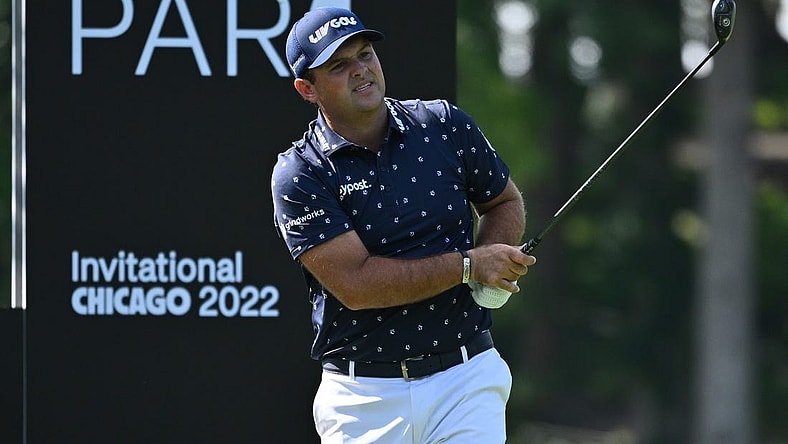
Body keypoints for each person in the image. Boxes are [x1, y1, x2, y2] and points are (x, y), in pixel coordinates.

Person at [271, 7, 536, 443]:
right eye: (339, 65)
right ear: (307, 89)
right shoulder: (301, 172)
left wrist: (490, 271)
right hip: (362, 397)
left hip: (465, 379)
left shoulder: (444, 124)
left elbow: (503, 200)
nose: (361, 70)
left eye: (365, 54)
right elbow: (357, 286)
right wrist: (470, 266)